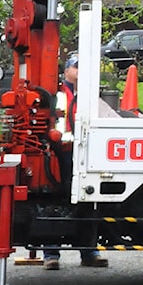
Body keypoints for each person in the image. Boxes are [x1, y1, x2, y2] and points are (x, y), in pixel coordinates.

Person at [43, 54, 109, 270]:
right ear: (67, 71)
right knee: (54, 201)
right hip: (59, 154)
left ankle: (89, 251)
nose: (81, 70)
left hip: (82, 154)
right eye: (77, 66)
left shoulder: (90, 94)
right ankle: (51, 254)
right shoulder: (56, 94)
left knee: (87, 202)